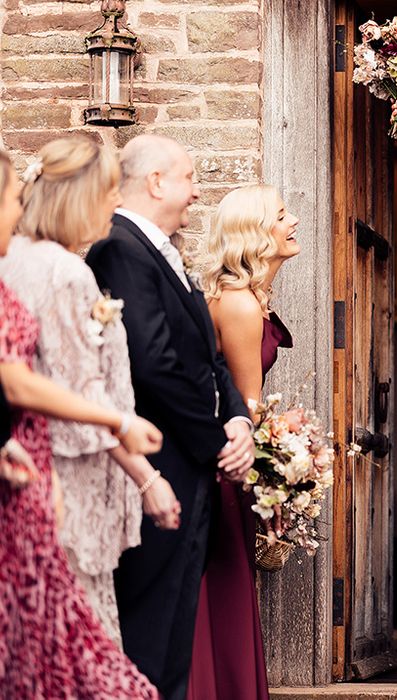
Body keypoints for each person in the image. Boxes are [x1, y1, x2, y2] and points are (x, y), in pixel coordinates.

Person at [86, 134, 255, 700]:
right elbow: (151, 364)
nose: (196, 191)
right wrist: (215, 445)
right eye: (187, 178)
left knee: (175, 633)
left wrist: (238, 422)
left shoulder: (165, 250)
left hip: (192, 464)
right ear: (156, 182)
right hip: (159, 465)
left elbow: (208, 359)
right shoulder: (119, 248)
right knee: (149, 637)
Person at [0, 137, 181, 645]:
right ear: (80, 197)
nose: (115, 203)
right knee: (80, 639)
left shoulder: (14, 260)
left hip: (27, 467)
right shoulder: (65, 273)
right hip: (68, 480)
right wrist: (147, 479)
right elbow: (83, 398)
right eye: (107, 192)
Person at [187, 184, 298, 699]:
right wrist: (282, 469)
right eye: (281, 215)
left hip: (228, 453)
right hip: (223, 462)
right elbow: (245, 404)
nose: (292, 220)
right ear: (257, 234)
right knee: (224, 583)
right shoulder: (238, 304)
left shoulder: (247, 297)